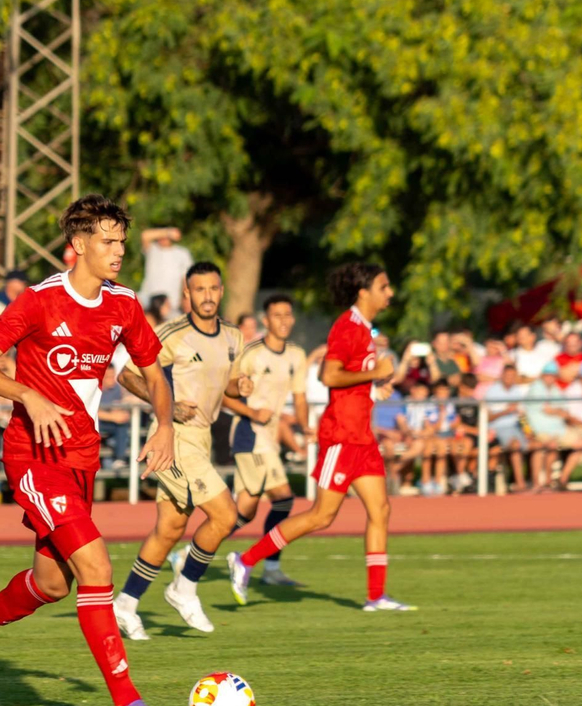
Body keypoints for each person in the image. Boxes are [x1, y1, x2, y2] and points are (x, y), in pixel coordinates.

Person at [0, 193, 176, 706]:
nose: (119, 250)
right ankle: (128, 702)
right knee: (97, 567)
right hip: (33, 456)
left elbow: (153, 371)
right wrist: (25, 395)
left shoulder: (123, 305)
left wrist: (165, 423)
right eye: (108, 241)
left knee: (53, 584)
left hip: (81, 458)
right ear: (77, 247)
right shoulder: (37, 301)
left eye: (122, 240)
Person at [228, 262, 415, 611]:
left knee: (381, 509)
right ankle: (246, 560)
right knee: (321, 516)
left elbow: (353, 381)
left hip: (362, 436)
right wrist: (376, 371)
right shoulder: (348, 326)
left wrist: (373, 390)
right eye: (384, 286)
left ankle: (376, 597)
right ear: (364, 291)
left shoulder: (365, 328)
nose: (390, 292)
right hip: (342, 436)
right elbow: (330, 376)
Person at [113, 262, 249, 638]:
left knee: (170, 527)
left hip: (200, 437)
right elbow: (126, 372)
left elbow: (227, 385)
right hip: (174, 436)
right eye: (198, 290)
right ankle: (184, 587)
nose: (207, 296)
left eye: (213, 289)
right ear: (187, 294)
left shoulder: (234, 337)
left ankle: (125, 604)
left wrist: (243, 386)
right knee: (225, 516)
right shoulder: (172, 333)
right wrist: (168, 407)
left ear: (221, 291)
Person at [222, 293, 310, 587]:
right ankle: (268, 566)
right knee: (284, 499)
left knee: (244, 513)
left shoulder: (296, 355)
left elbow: (299, 397)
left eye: (288, 315)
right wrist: (251, 410)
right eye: (277, 315)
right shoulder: (253, 353)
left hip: (268, 438)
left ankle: (189, 555)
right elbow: (226, 394)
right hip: (249, 433)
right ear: (265, 320)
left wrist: (306, 426)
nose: (283, 321)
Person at [138, 226, 194, 317]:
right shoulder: (153, 249)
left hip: (171, 305)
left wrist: (186, 299)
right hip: (148, 299)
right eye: (160, 235)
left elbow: (186, 280)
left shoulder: (182, 253)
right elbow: (145, 236)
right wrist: (168, 232)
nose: (162, 238)